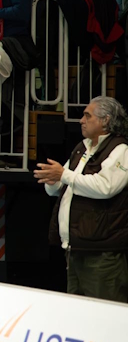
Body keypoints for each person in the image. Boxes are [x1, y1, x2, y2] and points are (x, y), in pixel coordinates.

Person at [35, 97, 128, 302]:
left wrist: (63, 175)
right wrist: (53, 181)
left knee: (105, 313)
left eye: (87, 116)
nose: (81, 120)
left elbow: (106, 187)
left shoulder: (120, 150)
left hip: (101, 253)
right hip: (75, 249)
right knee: (78, 312)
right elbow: (64, 186)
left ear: (105, 120)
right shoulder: (82, 148)